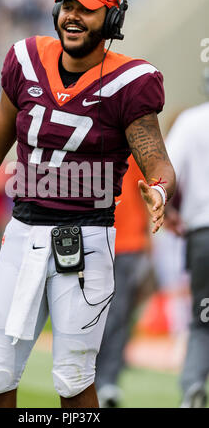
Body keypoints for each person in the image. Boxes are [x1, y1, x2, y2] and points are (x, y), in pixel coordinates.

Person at [0, 0, 175, 408]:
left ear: (111, 18)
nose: (73, 16)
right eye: (67, 6)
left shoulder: (130, 81)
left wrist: (158, 188)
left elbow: (156, 160)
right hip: (22, 233)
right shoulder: (26, 58)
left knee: (73, 379)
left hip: (87, 239)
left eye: (86, 8)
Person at [95, 154, 151, 407]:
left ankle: (107, 381)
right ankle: (87, 378)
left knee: (118, 315)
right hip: (92, 239)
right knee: (90, 314)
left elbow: (146, 191)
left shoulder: (133, 140)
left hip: (127, 242)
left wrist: (147, 239)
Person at [165, 100, 209, 408]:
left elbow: (165, 171)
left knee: (202, 318)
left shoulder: (192, 120)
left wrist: (166, 210)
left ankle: (193, 384)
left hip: (203, 232)